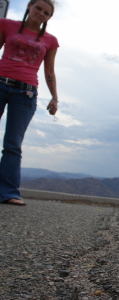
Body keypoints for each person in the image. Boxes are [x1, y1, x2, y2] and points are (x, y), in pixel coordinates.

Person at [0, 0, 59, 206]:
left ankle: (8, 192)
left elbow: (49, 71)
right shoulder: (6, 25)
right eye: (38, 8)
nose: (41, 13)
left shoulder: (50, 40)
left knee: (13, 145)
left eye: (46, 12)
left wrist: (54, 97)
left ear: (49, 18)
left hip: (25, 93)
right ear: (29, 7)